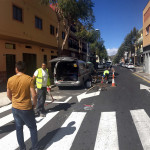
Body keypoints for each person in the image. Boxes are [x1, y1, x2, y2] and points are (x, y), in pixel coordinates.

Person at [7, 61, 38, 150]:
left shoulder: (10, 79)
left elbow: (8, 94)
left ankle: (22, 148)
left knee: (19, 128)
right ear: (24, 69)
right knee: (32, 128)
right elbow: (34, 95)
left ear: (16, 69)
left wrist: (14, 101)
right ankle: (35, 147)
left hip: (15, 108)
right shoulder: (29, 79)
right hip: (26, 108)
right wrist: (34, 105)